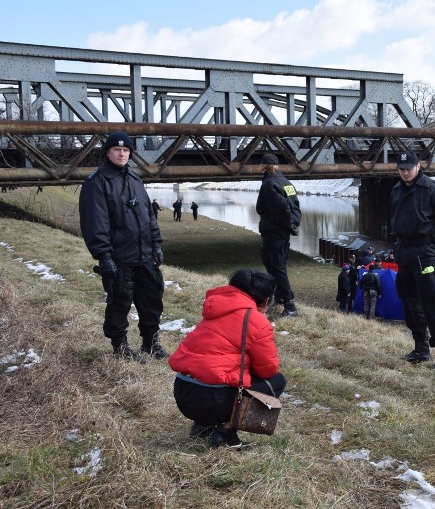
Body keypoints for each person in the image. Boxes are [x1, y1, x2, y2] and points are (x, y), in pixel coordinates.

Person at [168, 269, 286, 448]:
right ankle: (226, 432)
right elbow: (268, 370)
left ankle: (203, 426)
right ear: (266, 300)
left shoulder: (214, 310)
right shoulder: (256, 320)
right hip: (211, 403)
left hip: (182, 394)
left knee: (218, 374)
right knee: (276, 381)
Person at [79, 132, 169, 362]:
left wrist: (156, 243)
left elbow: (149, 215)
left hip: (144, 254)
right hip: (119, 256)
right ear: (108, 152)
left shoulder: (136, 179)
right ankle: (120, 347)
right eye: (117, 150)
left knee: (151, 299)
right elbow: (95, 223)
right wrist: (104, 255)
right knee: (119, 301)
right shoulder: (96, 182)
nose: (122, 154)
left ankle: (151, 342)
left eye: (126, 150)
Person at [390, 150, 435, 368]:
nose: (405, 173)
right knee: (409, 301)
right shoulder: (396, 190)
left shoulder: (433, 189)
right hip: (405, 253)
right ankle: (421, 347)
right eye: (401, 169)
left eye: (408, 168)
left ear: (418, 166)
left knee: (432, 301)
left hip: (425, 253)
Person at [256, 153, 302, 317]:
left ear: (262, 167)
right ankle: (279, 297)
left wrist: (288, 223)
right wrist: (294, 224)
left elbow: (281, 208)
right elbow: (295, 205)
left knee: (275, 266)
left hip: (273, 231)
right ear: (277, 166)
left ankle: (290, 305)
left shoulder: (269, 184)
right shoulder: (286, 183)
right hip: (283, 231)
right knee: (278, 264)